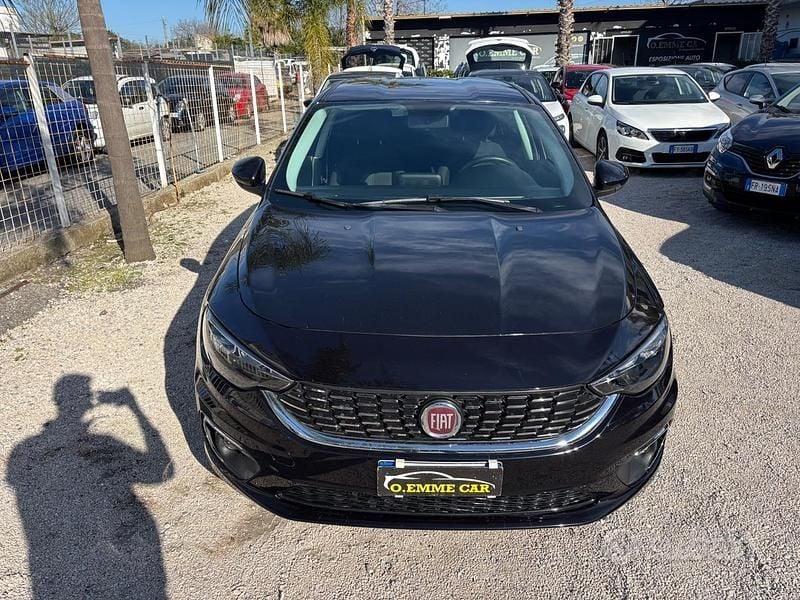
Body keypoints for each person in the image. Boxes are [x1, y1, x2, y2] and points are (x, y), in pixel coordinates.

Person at [7, 375, 173, 599]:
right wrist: (135, 409)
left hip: (54, 569)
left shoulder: (22, 451)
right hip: (123, 560)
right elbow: (161, 470)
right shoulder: (104, 443)